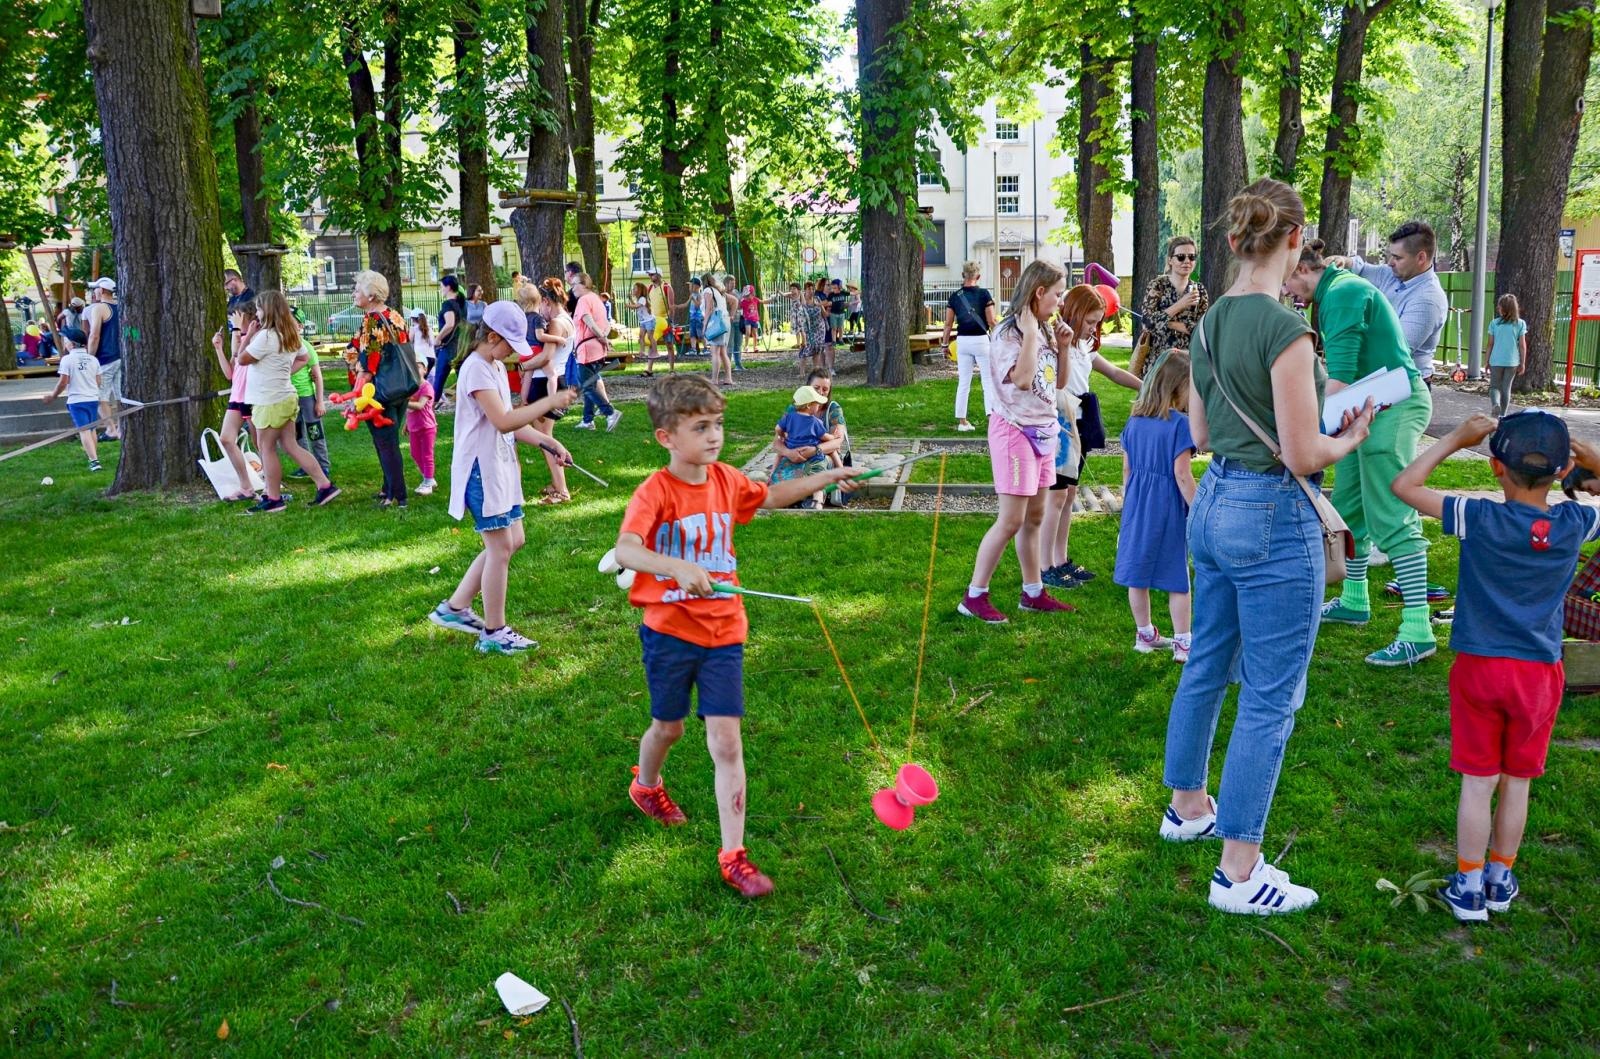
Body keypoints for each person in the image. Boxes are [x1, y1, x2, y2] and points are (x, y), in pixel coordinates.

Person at [1158, 178, 1376, 916]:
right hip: (1271, 519)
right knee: (1270, 696)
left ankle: (1187, 805)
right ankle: (1240, 871)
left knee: (1208, 663)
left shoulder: (1211, 317)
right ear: (1294, 239)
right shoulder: (1286, 329)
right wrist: (1347, 435)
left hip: (1215, 501)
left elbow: (1202, 434)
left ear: (1229, 241)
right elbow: (1302, 451)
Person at [616, 374, 857, 898]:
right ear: (666, 438)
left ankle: (734, 856)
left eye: (718, 425)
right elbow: (628, 550)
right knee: (669, 728)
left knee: (726, 741)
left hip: (724, 629)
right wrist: (674, 566)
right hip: (670, 632)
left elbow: (769, 497)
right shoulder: (654, 492)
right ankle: (646, 785)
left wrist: (826, 477)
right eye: (700, 427)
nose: (714, 436)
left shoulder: (725, 480)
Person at [1392, 412, 1600, 921]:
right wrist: (1595, 460)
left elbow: (1405, 485)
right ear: (1560, 472)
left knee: (1478, 782)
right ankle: (1500, 877)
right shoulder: (1575, 524)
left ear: (1494, 469)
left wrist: (1455, 438)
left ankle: (1466, 884)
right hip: (1539, 675)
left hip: (1480, 669)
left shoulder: (1477, 517)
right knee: (1517, 781)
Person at [1285, 238, 1437, 668]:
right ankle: (1354, 600)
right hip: (1363, 408)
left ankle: (1417, 628)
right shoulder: (1335, 291)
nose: (1287, 294)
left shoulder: (1345, 293)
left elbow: (1340, 381)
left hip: (1391, 408)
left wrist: (1305, 437)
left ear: (1301, 269)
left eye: (1287, 283)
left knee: (1391, 509)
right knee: (1349, 505)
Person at [430, 303, 577, 653]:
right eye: (509, 344)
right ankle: (494, 632)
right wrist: (549, 401)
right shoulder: (476, 370)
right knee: (499, 549)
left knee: (514, 540)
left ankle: (455, 608)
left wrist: (547, 440)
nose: (512, 352)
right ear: (492, 336)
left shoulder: (493, 365)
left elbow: (511, 419)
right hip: (480, 470)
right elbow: (503, 421)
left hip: (498, 466)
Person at [957, 259, 1078, 623]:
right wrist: (1029, 336)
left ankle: (1033, 591)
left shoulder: (1042, 328)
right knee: (1011, 520)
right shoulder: (1010, 333)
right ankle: (974, 596)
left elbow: (1056, 384)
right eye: (1057, 294)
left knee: (1035, 517)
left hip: (1043, 430)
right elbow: (1023, 380)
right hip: (1014, 431)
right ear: (1039, 292)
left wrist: (1063, 348)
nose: (1060, 300)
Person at [1041, 285, 1141, 589]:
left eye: (1098, 322)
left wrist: (1148, 387)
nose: (1094, 328)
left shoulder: (1085, 348)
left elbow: (1114, 373)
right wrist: (1063, 346)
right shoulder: (1056, 343)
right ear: (1074, 312)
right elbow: (1055, 382)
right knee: (1056, 497)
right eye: (1090, 321)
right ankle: (1045, 565)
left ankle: (1061, 559)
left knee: (1069, 495)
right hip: (1060, 424)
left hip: (1080, 425)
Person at [1113, 350, 1197, 660]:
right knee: (1177, 574)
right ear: (1177, 387)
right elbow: (1182, 474)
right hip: (1167, 505)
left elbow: (1127, 470)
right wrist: (1200, 509)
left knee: (1139, 571)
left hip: (1137, 504)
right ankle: (1184, 642)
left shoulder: (1134, 421)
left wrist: (1130, 504)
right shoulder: (1179, 424)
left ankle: (1144, 634)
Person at [237, 291, 340, 512]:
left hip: (270, 400)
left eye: (259, 308)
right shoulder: (289, 334)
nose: (256, 312)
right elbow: (304, 358)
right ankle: (325, 485)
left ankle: (273, 499)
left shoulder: (265, 336)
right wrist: (283, 373)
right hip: (286, 397)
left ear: (268, 310)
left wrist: (248, 335)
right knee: (290, 445)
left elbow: (241, 358)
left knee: (267, 448)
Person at [1331, 221, 1448, 382]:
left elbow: (1393, 350)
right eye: (1391, 255)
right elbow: (1361, 269)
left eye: (1398, 257)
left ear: (1421, 258)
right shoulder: (1393, 274)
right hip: (1384, 378)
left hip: (1407, 387)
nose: (1390, 262)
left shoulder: (1429, 300)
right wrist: (1343, 261)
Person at [345, 270, 412, 508]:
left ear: (371, 295)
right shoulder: (394, 315)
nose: (354, 293)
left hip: (376, 392)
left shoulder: (372, 321)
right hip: (399, 386)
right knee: (388, 441)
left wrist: (356, 397)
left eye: (358, 289)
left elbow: (368, 366)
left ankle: (398, 494)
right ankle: (389, 488)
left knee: (386, 443)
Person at [1134, 237, 1208, 376]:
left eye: (1191, 257)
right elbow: (1147, 323)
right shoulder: (1158, 285)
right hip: (1159, 362)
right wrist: (1180, 304)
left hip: (1188, 361)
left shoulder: (1200, 290)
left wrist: (1168, 323)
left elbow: (1202, 329)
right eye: (1181, 257)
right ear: (1170, 260)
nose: (1187, 261)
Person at [529, 279, 574, 503]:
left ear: (547, 301)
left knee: (545, 440)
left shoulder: (556, 323)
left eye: (541, 306)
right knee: (544, 438)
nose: (540, 313)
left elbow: (546, 357)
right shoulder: (568, 319)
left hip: (544, 383)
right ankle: (557, 484)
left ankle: (562, 490)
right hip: (556, 379)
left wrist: (524, 365)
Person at [210, 295, 259, 502]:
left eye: (235, 318)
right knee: (226, 439)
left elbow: (240, 354)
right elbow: (230, 372)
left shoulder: (256, 336)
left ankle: (270, 486)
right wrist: (218, 349)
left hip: (253, 396)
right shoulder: (238, 336)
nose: (232, 323)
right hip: (237, 396)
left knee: (260, 443)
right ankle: (246, 485)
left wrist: (237, 331)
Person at [941, 261, 998, 432]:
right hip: (981, 340)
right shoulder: (984, 295)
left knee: (963, 382)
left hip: (962, 342)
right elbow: (991, 321)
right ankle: (991, 419)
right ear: (978, 276)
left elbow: (948, 324)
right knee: (987, 381)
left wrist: (945, 344)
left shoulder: (955, 296)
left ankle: (962, 421)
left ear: (962, 276)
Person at [768, 384, 842, 508]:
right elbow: (825, 437)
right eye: (817, 404)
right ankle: (817, 501)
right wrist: (833, 437)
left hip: (792, 450)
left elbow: (777, 429)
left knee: (780, 456)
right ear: (808, 406)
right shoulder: (815, 422)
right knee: (817, 477)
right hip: (812, 457)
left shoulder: (789, 417)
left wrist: (783, 435)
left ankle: (772, 477)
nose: (818, 406)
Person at [40, 327, 102, 471]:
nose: (64, 342)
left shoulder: (67, 360)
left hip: (77, 400)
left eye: (65, 339)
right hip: (93, 399)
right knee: (91, 429)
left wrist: (53, 396)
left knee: (84, 430)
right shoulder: (93, 359)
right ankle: (93, 456)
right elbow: (98, 381)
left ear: (72, 343)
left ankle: (94, 461)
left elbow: (63, 382)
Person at [570, 272, 623, 431]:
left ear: (584, 284)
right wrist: (603, 338)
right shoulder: (596, 299)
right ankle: (588, 421)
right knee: (589, 385)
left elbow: (589, 321)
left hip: (587, 349)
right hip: (596, 349)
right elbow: (606, 324)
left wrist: (602, 337)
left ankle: (610, 413)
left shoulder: (584, 300)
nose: (572, 288)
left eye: (575, 284)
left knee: (587, 386)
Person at [290, 313, 331, 480]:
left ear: (300, 327)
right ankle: (306, 465)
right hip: (290, 398)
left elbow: (317, 375)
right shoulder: (283, 346)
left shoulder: (306, 346)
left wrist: (320, 401)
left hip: (306, 397)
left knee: (315, 433)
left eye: (292, 323)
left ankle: (323, 466)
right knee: (298, 433)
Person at [83, 278, 123, 442]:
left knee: (100, 397)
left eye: (96, 289)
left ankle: (111, 429)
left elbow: (94, 335)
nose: (94, 293)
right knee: (121, 395)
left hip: (104, 359)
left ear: (102, 291)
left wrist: (90, 358)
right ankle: (121, 428)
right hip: (121, 357)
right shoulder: (121, 307)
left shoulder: (99, 308)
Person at [1486, 294, 1528, 418]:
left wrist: (1487, 360)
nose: (1498, 308)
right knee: (1506, 388)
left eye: (1499, 306)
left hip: (1496, 360)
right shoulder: (1520, 324)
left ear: (1502, 308)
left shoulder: (1494, 323)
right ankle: (1503, 415)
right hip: (1512, 361)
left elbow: (1490, 344)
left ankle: (1495, 405)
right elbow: (1522, 345)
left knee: (1494, 386)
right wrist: (1523, 362)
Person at [407, 344, 439, 496]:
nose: (414, 370)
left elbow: (419, 405)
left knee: (427, 454)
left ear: (425, 370)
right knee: (414, 453)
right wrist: (406, 424)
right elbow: (410, 411)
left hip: (427, 427)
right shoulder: (410, 387)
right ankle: (428, 477)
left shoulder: (426, 387)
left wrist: (403, 402)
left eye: (417, 366)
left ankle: (428, 481)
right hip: (414, 426)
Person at [433, 275, 468, 412]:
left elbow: (449, 324)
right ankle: (470, 408)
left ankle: (429, 412)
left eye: (441, 286)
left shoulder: (447, 304)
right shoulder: (460, 304)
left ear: (448, 287)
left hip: (448, 349)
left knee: (439, 381)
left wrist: (438, 339)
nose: (440, 289)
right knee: (463, 381)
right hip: (460, 348)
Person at [700, 273, 733, 386]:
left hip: (716, 322)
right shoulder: (719, 291)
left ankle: (714, 379)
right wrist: (731, 315)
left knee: (714, 352)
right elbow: (734, 301)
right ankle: (728, 378)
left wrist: (704, 324)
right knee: (723, 352)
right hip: (725, 320)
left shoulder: (707, 291)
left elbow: (709, 308)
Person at [633, 281, 660, 375]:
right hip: (643, 321)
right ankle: (642, 351)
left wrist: (629, 305)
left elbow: (636, 306)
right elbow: (636, 306)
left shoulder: (643, 299)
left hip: (649, 320)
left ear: (640, 290)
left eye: (635, 288)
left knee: (650, 337)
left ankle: (655, 351)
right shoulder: (639, 299)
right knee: (641, 336)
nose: (633, 290)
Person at [721, 274, 745, 372]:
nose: (733, 285)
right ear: (725, 284)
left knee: (738, 343)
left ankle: (738, 364)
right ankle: (728, 365)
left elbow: (741, 304)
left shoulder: (736, 293)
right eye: (731, 283)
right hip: (728, 321)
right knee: (729, 344)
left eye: (734, 283)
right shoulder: (722, 294)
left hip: (738, 320)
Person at [409, 308, 435, 378]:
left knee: (419, 379)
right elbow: (433, 342)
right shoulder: (429, 328)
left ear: (413, 319)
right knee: (424, 378)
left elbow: (409, 341)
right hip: (431, 357)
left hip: (420, 357)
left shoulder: (413, 328)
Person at [740, 284, 761, 354]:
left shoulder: (755, 299)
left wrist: (771, 300)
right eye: (745, 296)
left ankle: (755, 347)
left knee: (755, 333)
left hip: (755, 319)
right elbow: (738, 306)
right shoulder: (743, 301)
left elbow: (763, 301)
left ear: (753, 294)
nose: (747, 297)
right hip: (747, 319)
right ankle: (746, 346)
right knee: (748, 332)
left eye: (748, 295)